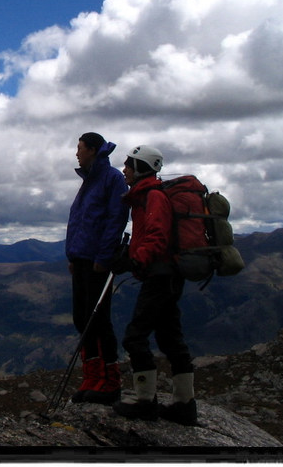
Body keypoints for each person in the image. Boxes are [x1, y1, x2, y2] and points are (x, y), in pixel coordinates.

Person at [112, 145, 198, 425]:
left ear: (140, 168)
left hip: (160, 276)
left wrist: (134, 261)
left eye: (129, 164)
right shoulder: (146, 196)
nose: (124, 169)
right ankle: (184, 405)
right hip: (168, 274)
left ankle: (145, 402)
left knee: (135, 337)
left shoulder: (153, 196)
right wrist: (132, 255)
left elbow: (157, 236)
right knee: (170, 337)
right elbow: (151, 235)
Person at [65, 132, 129, 405]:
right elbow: (80, 221)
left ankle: (109, 381)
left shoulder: (112, 179)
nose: (76, 153)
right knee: (82, 318)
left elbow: (116, 219)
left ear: (92, 150)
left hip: (97, 262)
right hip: (82, 259)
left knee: (98, 320)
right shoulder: (89, 181)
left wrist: (103, 257)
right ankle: (92, 378)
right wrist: (73, 255)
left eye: (80, 148)